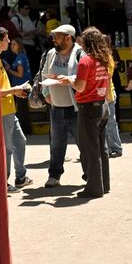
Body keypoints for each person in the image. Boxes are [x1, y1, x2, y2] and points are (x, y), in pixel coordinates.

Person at [57, 27, 112, 199]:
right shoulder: (104, 60)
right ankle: (104, 184)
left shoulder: (86, 60)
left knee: (90, 149)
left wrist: (68, 81)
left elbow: (80, 86)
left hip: (88, 107)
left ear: (86, 42)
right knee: (101, 148)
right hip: (102, 106)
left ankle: (94, 188)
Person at [39, 24, 84, 187]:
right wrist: (46, 95)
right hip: (56, 108)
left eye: (57, 37)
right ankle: (54, 175)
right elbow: (44, 73)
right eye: (53, 37)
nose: (54, 40)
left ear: (68, 38)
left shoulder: (80, 53)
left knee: (83, 143)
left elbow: (83, 77)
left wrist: (68, 79)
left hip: (75, 109)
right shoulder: (51, 54)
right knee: (56, 145)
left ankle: (89, 174)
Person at [0, 27, 32, 192]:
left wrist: (16, 91)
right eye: (7, 39)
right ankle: (4, 183)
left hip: (9, 110)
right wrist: (15, 90)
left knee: (20, 141)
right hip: (3, 111)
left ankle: (20, 177)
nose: (9, 42)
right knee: (8, 149)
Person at [1, 30, 33, 135]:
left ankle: (25, 129)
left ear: (19, 46)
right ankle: (26, 128)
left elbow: (20, 74)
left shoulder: (20, 57)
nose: (11, 46)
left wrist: (9, 69)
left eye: (14, 44)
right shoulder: (21, 56)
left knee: (22, 109)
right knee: (23, 108)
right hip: (20, 86)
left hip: (21, 86)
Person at [104, 36, 123, 158]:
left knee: (111, 122)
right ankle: (108, 147)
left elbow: (107, 77)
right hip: (103, 94)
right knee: (105, 124)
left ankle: (116, 147)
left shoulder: (108, 58)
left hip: (108, 94)